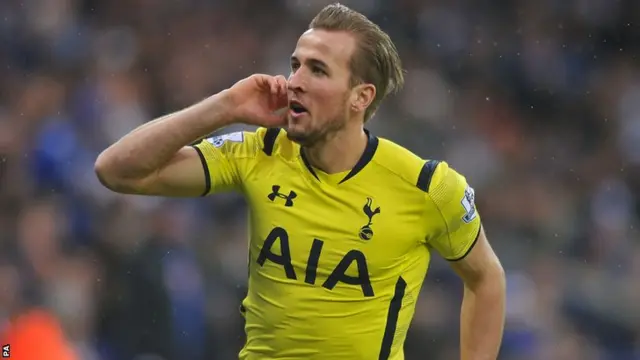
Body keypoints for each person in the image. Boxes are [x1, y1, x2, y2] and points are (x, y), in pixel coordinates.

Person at [94, 3, 506, 359]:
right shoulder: (260, 152)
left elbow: (486, 278)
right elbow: (116, 170)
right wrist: (226, 106)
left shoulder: (426, 186)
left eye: (318, 70)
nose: (295, 81)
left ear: (360, 97)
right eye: (295, 64)